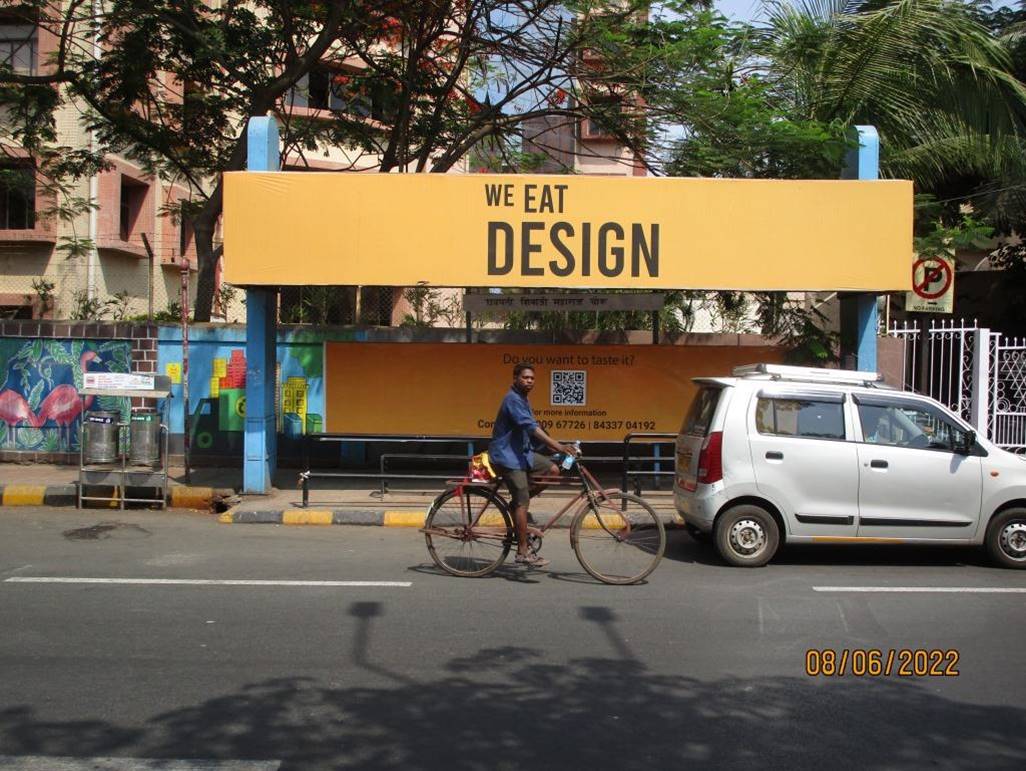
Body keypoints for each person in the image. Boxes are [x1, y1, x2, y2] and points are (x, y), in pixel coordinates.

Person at [489, 362, 579, 568]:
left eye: (532, 378)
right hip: (508, 457)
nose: (529, 381)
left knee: (553, 470)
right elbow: (530, 428)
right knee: (522, 502)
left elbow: (536, 429)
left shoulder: (523, 399)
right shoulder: (512, 399)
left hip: (522, 453)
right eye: (525, 377)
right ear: (515, 378)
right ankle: (522, 551)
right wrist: (558, 447)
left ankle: (518, 505)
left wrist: (556, 448)